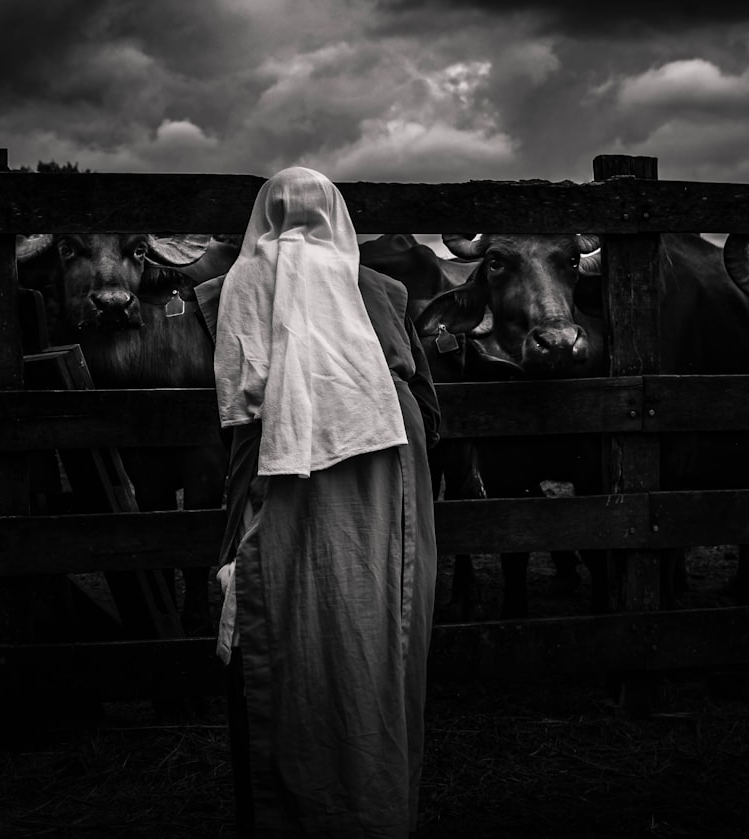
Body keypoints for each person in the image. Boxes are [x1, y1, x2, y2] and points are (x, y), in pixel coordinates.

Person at [205, 166, 440, 837]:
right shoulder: (381, 291)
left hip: (279, 466)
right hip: (389, 469)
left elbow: (241, 405)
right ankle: (375, 798)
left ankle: (293, 807)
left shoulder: (240, 284)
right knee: (377, 624)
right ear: (339, 216)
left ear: (265, 216)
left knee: (285, 619)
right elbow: (430, 408)